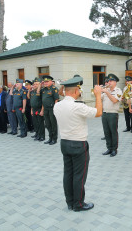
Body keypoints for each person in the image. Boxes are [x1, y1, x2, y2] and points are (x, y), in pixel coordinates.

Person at [54, 76, 103, 212]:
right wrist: (98, 95)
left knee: (68, 174)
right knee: (79, 176)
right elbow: (98, 112)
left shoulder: (57, 105)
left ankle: (70, 202)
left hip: (64, 143)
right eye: (79, 90)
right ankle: (79, 204)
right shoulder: (78, 106)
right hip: (78, 144)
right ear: (75, 91)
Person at [101, 74, 122, 157]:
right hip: (105, 113)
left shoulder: (118, 91)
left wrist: (106, 92)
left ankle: (114, 149)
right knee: (106, 132)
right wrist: (98, 91)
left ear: (115, 82)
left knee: (113, 132)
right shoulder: (106, 90)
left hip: (113, 113)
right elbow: (99, 98)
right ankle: (109, 148)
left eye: (111, 81)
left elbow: (114, 100)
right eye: (108, 81)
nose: (108, 82)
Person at [42, 75, 59, 145]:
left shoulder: (54, 89)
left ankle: (54, 139)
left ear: (51, 82)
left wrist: (55, 109)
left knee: (53, 124)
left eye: (47, 82)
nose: (45, 83)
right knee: (47, 124)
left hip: (52, 109)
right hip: (46, 109)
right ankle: (50, 138)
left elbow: (56, 100)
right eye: (44, 82)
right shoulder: (44, 89)